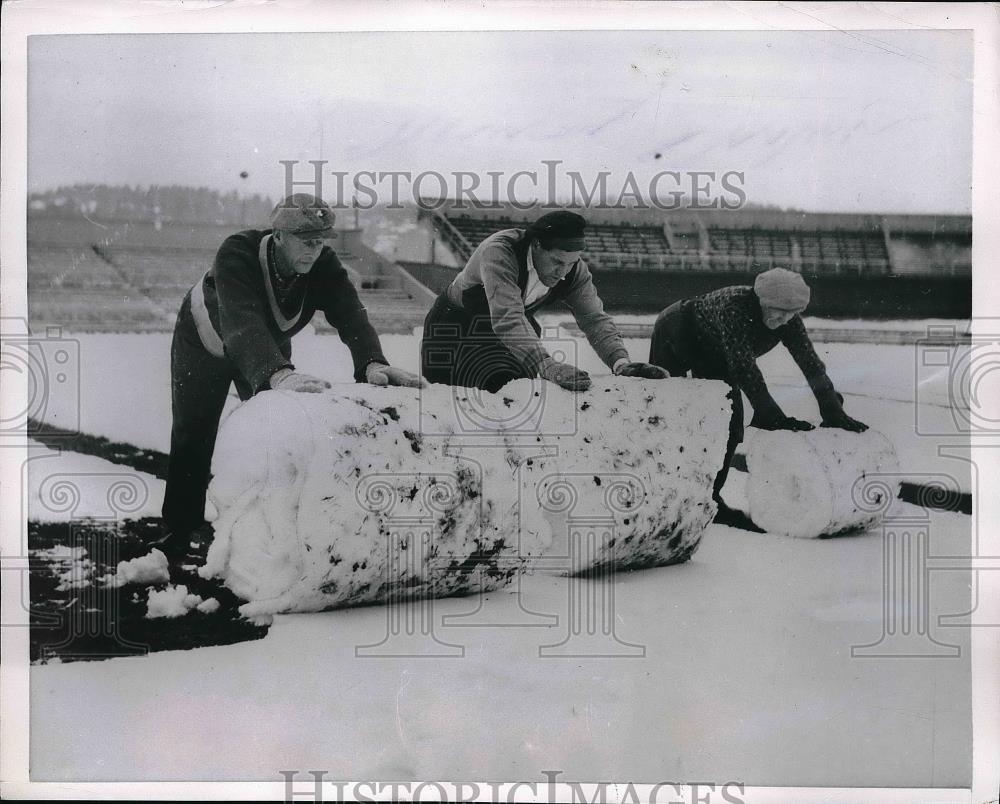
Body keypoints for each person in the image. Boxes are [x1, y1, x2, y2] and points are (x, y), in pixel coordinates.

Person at [158, 193, 423, 563]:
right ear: (279, 235)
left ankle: (264, 526)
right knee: (194, 430)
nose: (314, 250)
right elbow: (242, 322)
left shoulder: (323, 265)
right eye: (306, 240)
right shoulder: (237, 252)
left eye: (320, 241)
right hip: (205, 340)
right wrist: (276, 374)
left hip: (263, 345)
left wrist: (372, 363)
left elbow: (351, 315)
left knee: (273, 431)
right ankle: (180, 527)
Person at [648, 267, 867, 511]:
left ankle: (709, 502)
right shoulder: (736, 308)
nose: (784, 320)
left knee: (730, 423)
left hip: (715, 352)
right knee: (665, 414)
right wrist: (769, 413)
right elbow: (744, 367)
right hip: (677, 331)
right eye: (779, 313)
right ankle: (660, 492)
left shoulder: (789, 322)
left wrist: (831, 409)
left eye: (791, 315)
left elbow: (811, 363)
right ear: (761, 300)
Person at [420, 210, 666, 392]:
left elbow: (593, 318)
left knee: (521, 390)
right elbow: (508, 318)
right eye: (558, 262)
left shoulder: (573, 270)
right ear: (536, 245)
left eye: (571, 264)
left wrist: (620, 362)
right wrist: (546, 364)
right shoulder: (500, 251)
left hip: (507, 328)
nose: (563, 273)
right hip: (454, 328)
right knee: (454, 400)